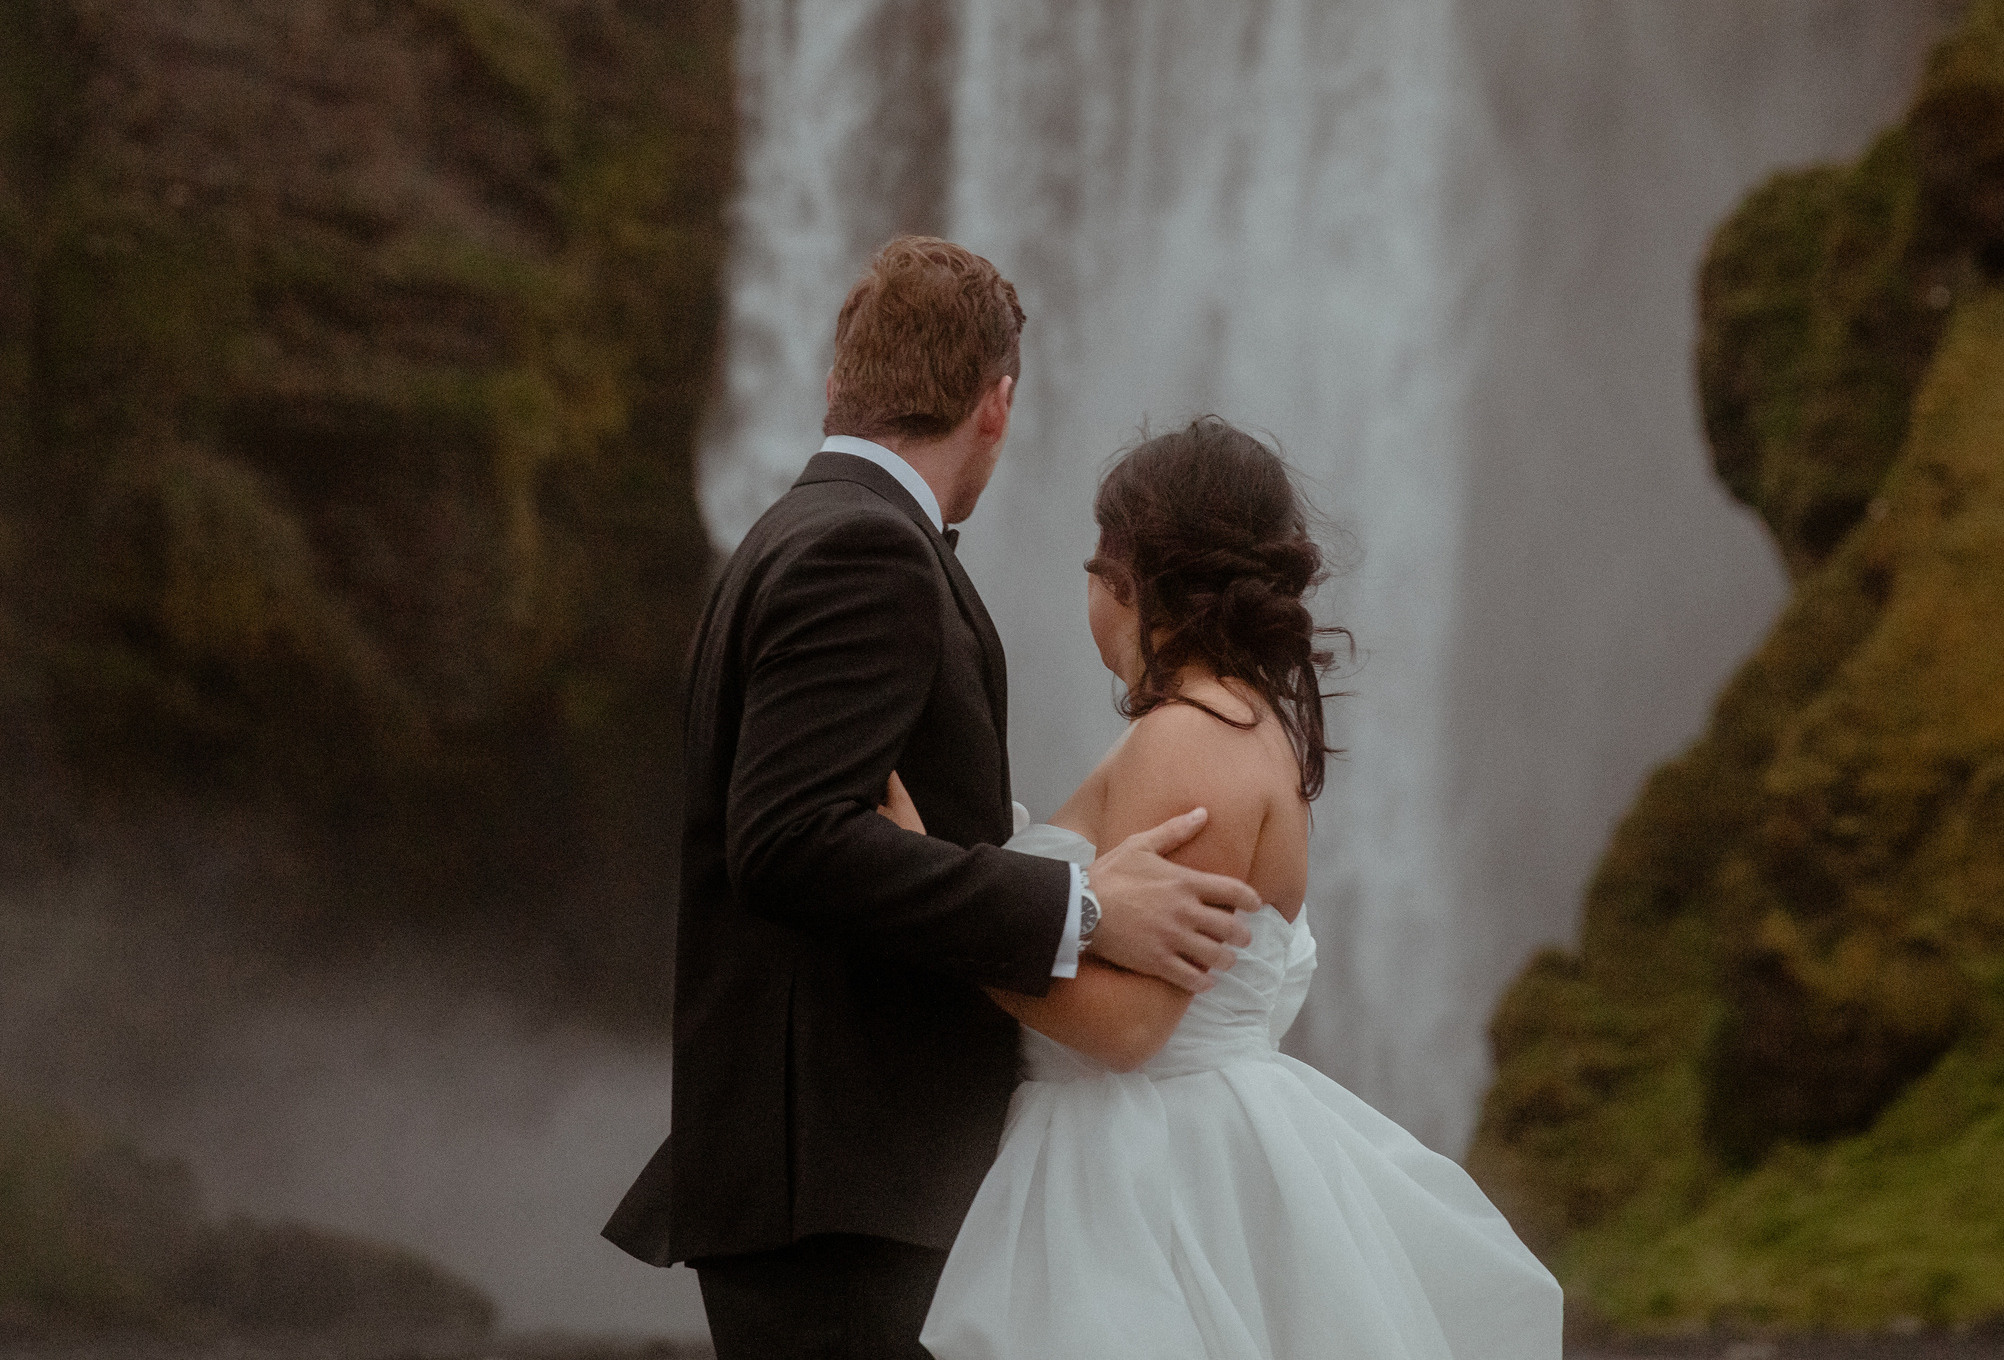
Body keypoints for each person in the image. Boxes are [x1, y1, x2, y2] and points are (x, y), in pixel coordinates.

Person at [604, 237, 1265, 1360]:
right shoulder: (864, 552)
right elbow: (790, 838)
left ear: (835, 384)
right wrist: (1081, 907)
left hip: (831, 1185)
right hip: (845, 1187)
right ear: (996, 403)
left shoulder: (793, 534)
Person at [897, 417, 1565, 1360]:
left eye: (1099, 560)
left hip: (1142, 1186)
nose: (1086, 587)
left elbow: (1129, 1027)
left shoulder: (1194, 736)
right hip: (1163, 1157)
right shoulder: (1234, 721)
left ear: (1142, 576)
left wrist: (933, 909)